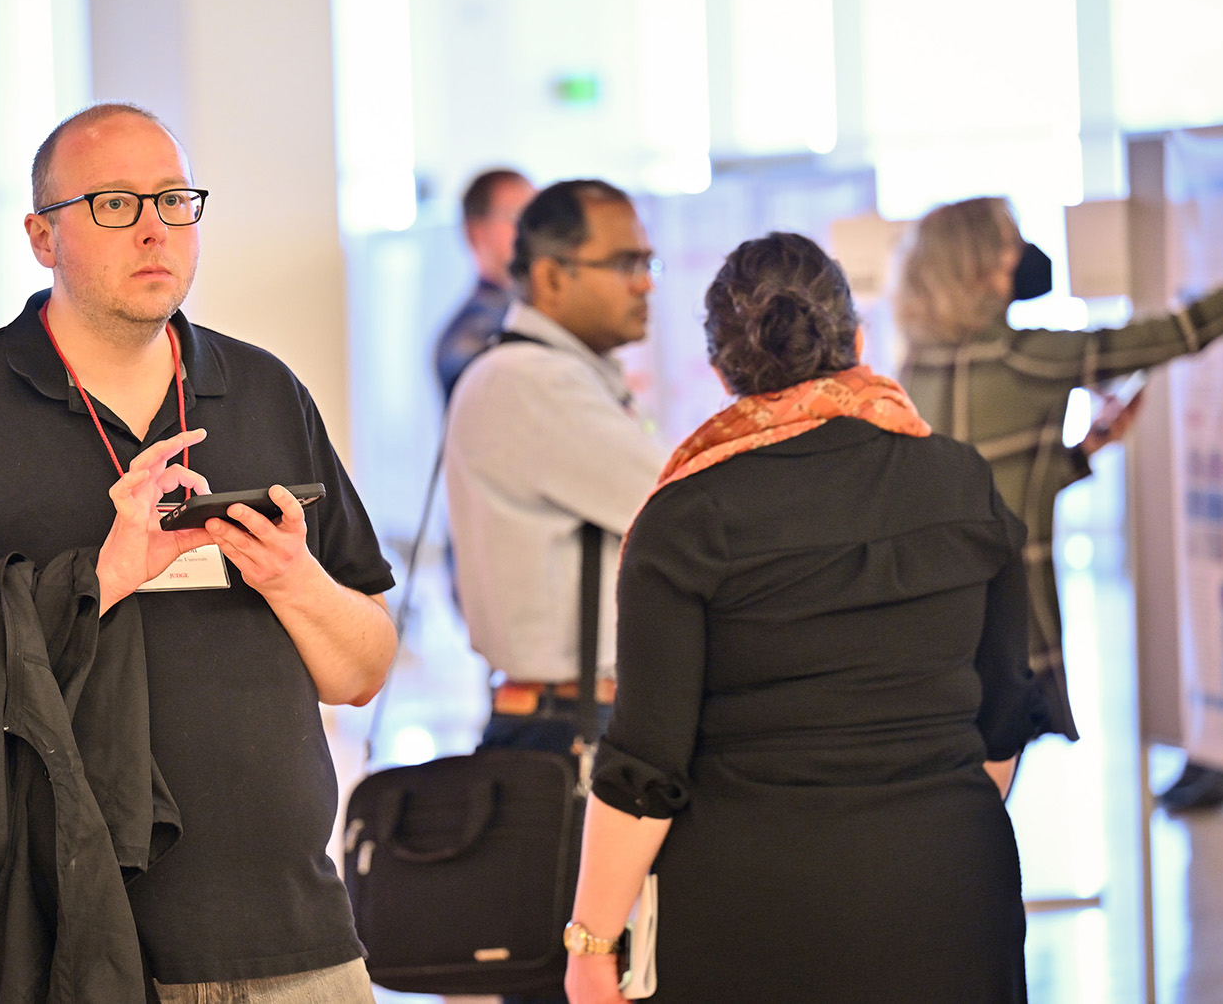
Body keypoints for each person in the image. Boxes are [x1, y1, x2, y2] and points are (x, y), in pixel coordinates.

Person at [0, 103, 396, 1002]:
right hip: (51, 949)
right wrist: (98, 577)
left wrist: (296, 580)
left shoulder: (265, 389)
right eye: (113, 203)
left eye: (175, 200)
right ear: (41, 237)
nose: (153, 228)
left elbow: (362, 668)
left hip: (292, 937)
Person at [565, 232, 1039, 1004]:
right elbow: (1004, 714)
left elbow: (646, 765)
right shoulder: (962, 481)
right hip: (954, 890)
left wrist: (590, 943)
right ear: (858, 341)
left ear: (723, 371)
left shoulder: (686, 516)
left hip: (757, 913)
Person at [897, 196, 1223, 807]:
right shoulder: (1021, 357)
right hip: (1005, 635)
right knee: (984, 807)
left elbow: (983, 490)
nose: (1024, 254)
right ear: (979, 266)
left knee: (960, 808)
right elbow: (1182, 333)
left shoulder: (917, 368)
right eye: (1010, 243)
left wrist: (1080, 451)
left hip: (933, 633)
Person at [444, 178, 663, 763]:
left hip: (569, 716)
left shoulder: (555, 374)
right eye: (624, 263)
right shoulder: (533, 381)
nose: (644, 283)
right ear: (551, 277)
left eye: (647, 262)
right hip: (568, 726)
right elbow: (681, 508)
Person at [434, 168, 537, 400]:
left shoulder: (531, 309)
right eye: (519, 218)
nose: (534, 233)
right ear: (476, 233)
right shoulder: (467, 337)